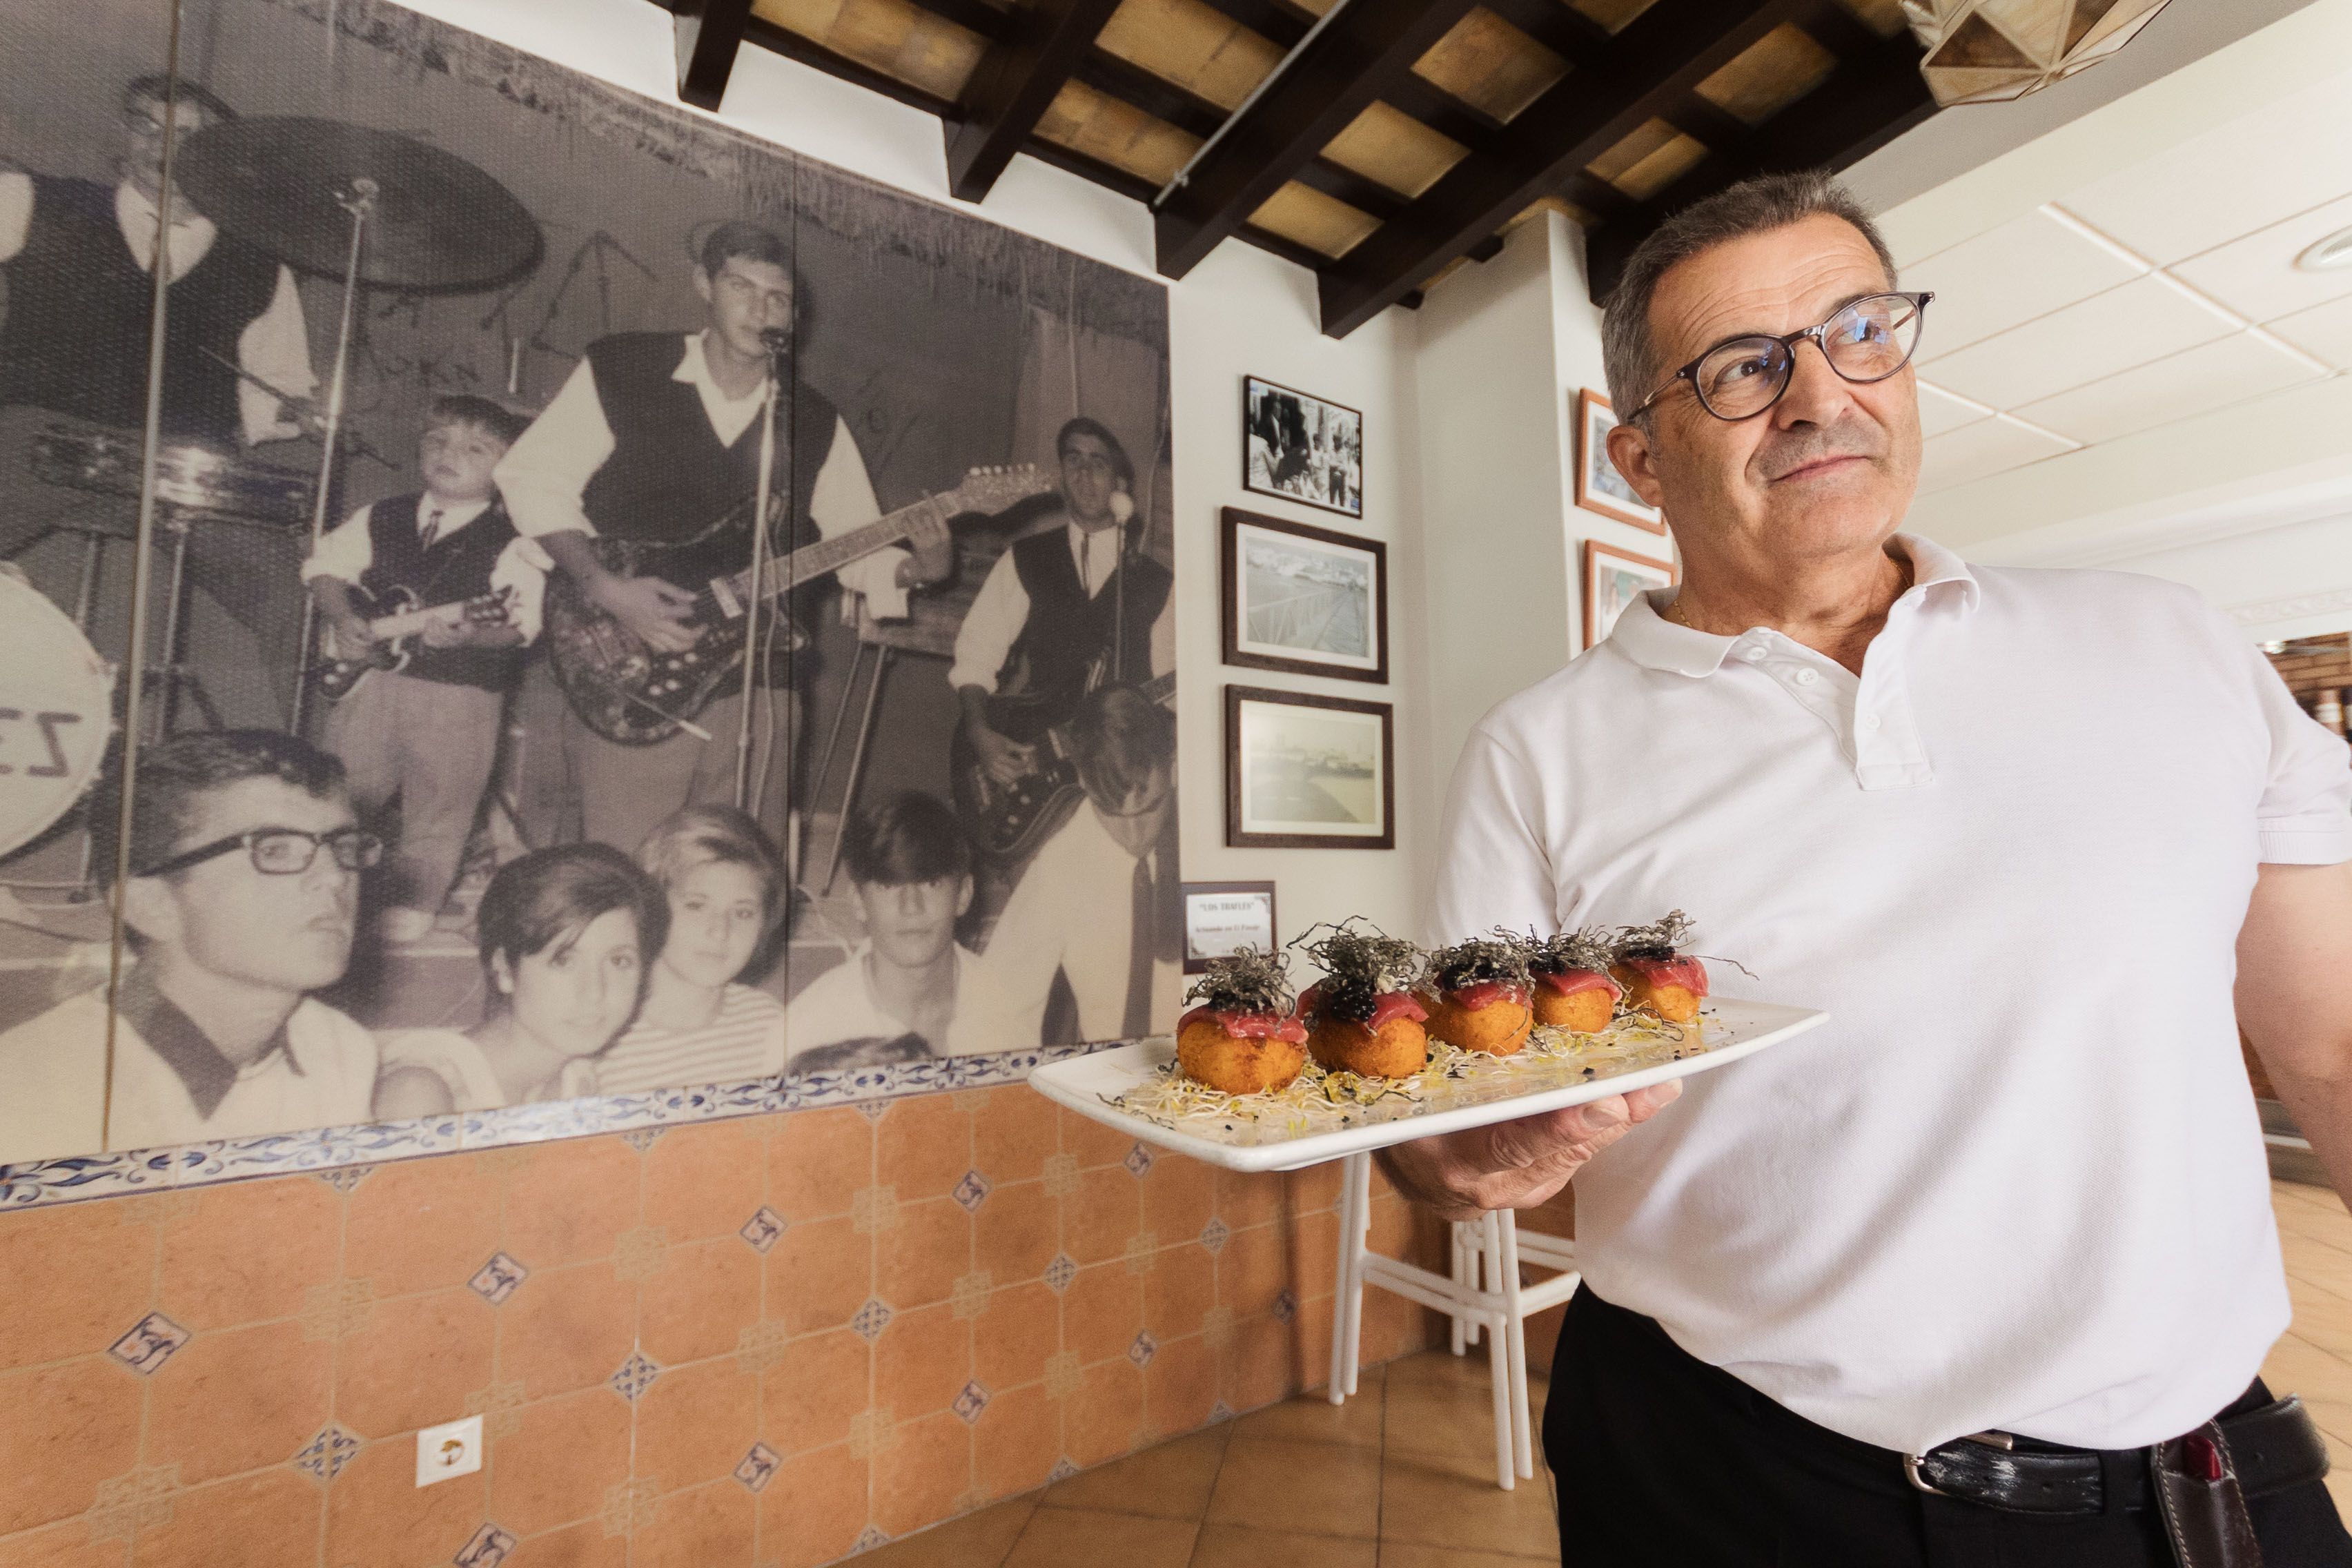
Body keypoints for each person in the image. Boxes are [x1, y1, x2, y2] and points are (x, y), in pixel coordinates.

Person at [1390, 171, 2352, 1565]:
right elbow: (1439, 1139)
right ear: (1641, 458)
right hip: (1731, 1472)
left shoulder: (2175, 644)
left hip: (2180, 1484)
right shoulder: (1535, 751)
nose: (1818, 394)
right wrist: (1481, 1153)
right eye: (1741, 366)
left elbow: (2329, 1040)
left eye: (1860, 330)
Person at [493, 220, 951, 851]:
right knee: (629, 863)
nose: (760, 308)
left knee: (736, 873)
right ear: (704, 286)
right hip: (631, 658)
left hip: (761, 676)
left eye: (778, 297)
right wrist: (604, 586)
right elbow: (533, 477)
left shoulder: (812, 419)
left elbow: (858, 546)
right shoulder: (622, 366)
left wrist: (921, 566)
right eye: (741, 287)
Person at [0, 731, 380, 1162]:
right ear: (151, 906)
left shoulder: (337, 1048)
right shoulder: (36, 1093)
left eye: (343, 847)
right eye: (274, 850)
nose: (334, 877)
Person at [302, 395, 545, 944]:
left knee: (443, 800)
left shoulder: (515, 545)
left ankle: (415, 904)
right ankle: (331, 893)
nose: (449, 454)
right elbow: (324, 567)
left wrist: (473, 633)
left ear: (505, 467)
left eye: (474, 448)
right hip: (372, 684)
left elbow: (520, 624)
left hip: (461, 696)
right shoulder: (380, 516)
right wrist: (343, 617)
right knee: (344, 791)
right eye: (437, 441)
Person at [0, 74, 313, 446]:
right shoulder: (32, 200)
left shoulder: (263, 267)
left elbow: (278, 386)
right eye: (145, 125)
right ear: (122, 135)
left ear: (223, 160)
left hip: (175, 471)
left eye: (186, 135)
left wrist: (295, 410)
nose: (160, 145)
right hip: (30, 453)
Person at [949, 416, 1174, 798]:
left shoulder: (1159, 583)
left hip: (1121, 772)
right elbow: (975, 653)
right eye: (1074, 461)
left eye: (1099, 463)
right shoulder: (1026, 557)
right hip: (1032, 763)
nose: (1085, 473)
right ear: (1063, 477)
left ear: (1121, 487)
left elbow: (1173, 689)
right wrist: (979, 733)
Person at [372, 843, 667, 1117]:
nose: (594, 992)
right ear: (504, 968)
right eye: (563, 960)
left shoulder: (578, 1080)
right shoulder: (421, 1092)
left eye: (619, 961)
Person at [987, 686, 1179, 1045]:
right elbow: (998, 1008)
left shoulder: (1217, 843)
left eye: (1151, 807)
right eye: (1110, 812)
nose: (1134, 836)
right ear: (1082, 781)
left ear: (1174, 765)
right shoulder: (1060, 866)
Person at [785, 790, 1023, 1072]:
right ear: (859, 902)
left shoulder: (1013, 1004)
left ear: (964, 895)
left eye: (931, 883)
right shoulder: (807, 1031)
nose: (911, 907)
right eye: (889, 885)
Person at [590, 804, 788, 1096]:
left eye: (743, 913)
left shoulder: (770, 1024)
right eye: (696, 905)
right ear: (651, 905)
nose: (720, 930)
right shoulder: (599, 1035)